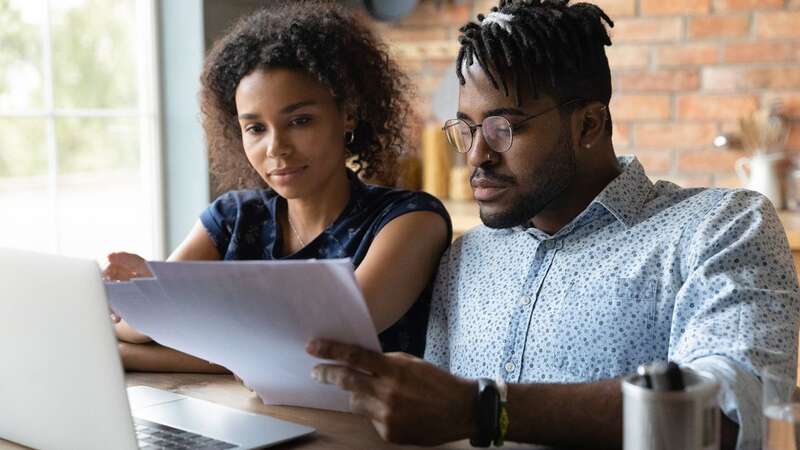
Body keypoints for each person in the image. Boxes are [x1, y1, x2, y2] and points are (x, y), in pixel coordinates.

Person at [306, 1, 800, 448]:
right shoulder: (464, 257)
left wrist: (484, 409)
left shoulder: (718, 228)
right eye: (467, 129)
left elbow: (732, 413)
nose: (476, 155)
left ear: (588, 125)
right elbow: (432, 421)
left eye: (505, 128)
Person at [106, 1, 451, 373]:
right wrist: (151, 300)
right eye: (255, 128)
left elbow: (323, 343)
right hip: (244, 416)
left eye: (300, 120)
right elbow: (135, 328)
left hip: (363, 428)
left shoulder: (409, 220)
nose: (276, 148)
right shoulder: (233, 217)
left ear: (348, 113)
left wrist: (152, 327)